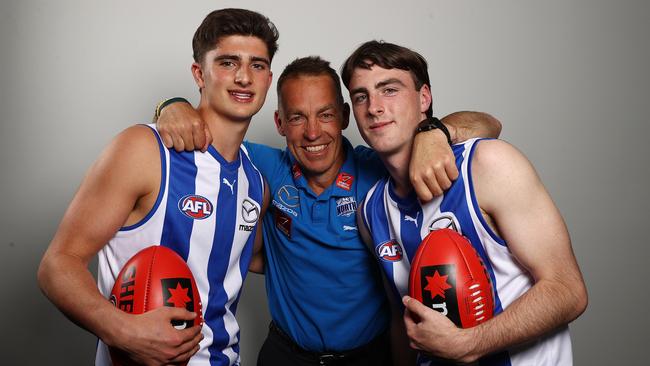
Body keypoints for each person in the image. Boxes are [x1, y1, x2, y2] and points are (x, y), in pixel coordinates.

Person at [157, 55, 501, 364]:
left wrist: (434, 131)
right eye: (297, 118)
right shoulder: (264, 166)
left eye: (325, 115)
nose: (312, 133)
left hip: (369, 356)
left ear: (345, 117)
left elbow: (488, 125)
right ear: (279, 123)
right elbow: (195, 133)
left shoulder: (381, 170)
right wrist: (171, 105)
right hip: (285, 355)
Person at [37, 8, 276, 365]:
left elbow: (262, 259)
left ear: (268, 79)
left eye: (257, 65)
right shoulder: (144, 150)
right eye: (228, 62)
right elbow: (57, 265)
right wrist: (123, 331)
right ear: (199, 74)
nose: (244, 77)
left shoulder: (256, 182)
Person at [344, 40, 588, 365]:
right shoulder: (370, 211)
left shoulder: (487, 164)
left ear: (424, 98)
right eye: (361, 96)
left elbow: (568, 291)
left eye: (389, 90)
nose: (373, 107)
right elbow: (402, 323)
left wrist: (469, 344)